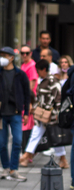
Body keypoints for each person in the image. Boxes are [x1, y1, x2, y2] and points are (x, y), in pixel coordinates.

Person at [19, 59, 67, 169]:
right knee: (38, 135)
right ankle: (27, 155)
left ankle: (27, 156)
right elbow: (41, 98)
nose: (37, 72)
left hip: (49, 114)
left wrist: (55, 113)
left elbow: (58, 98)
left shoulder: (52, 81)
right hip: (43, 114)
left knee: (53, 137)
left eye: (38, 70)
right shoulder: (44, 80)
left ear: (44, 69)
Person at [0, 46, 31, 182]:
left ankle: (14, 169)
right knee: (1, 143)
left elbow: (27, 94)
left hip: (16, 112)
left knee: (17, 141)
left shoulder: (20, 74)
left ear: (12, 57)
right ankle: (6, 167)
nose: (2, 58)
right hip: (1, 114)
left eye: (4, 55)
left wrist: (26, 113)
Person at [20, 45, 38, 152]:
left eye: (27, 53)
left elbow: (32, 83)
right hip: (24, 99)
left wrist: (29, 102)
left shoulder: (31, 65)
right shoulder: (24, 65)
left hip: (28, 100)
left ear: (31, 53)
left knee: (27, 126)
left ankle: (28, 153)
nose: (25, 55)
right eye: (22, 53)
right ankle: (27, 152)